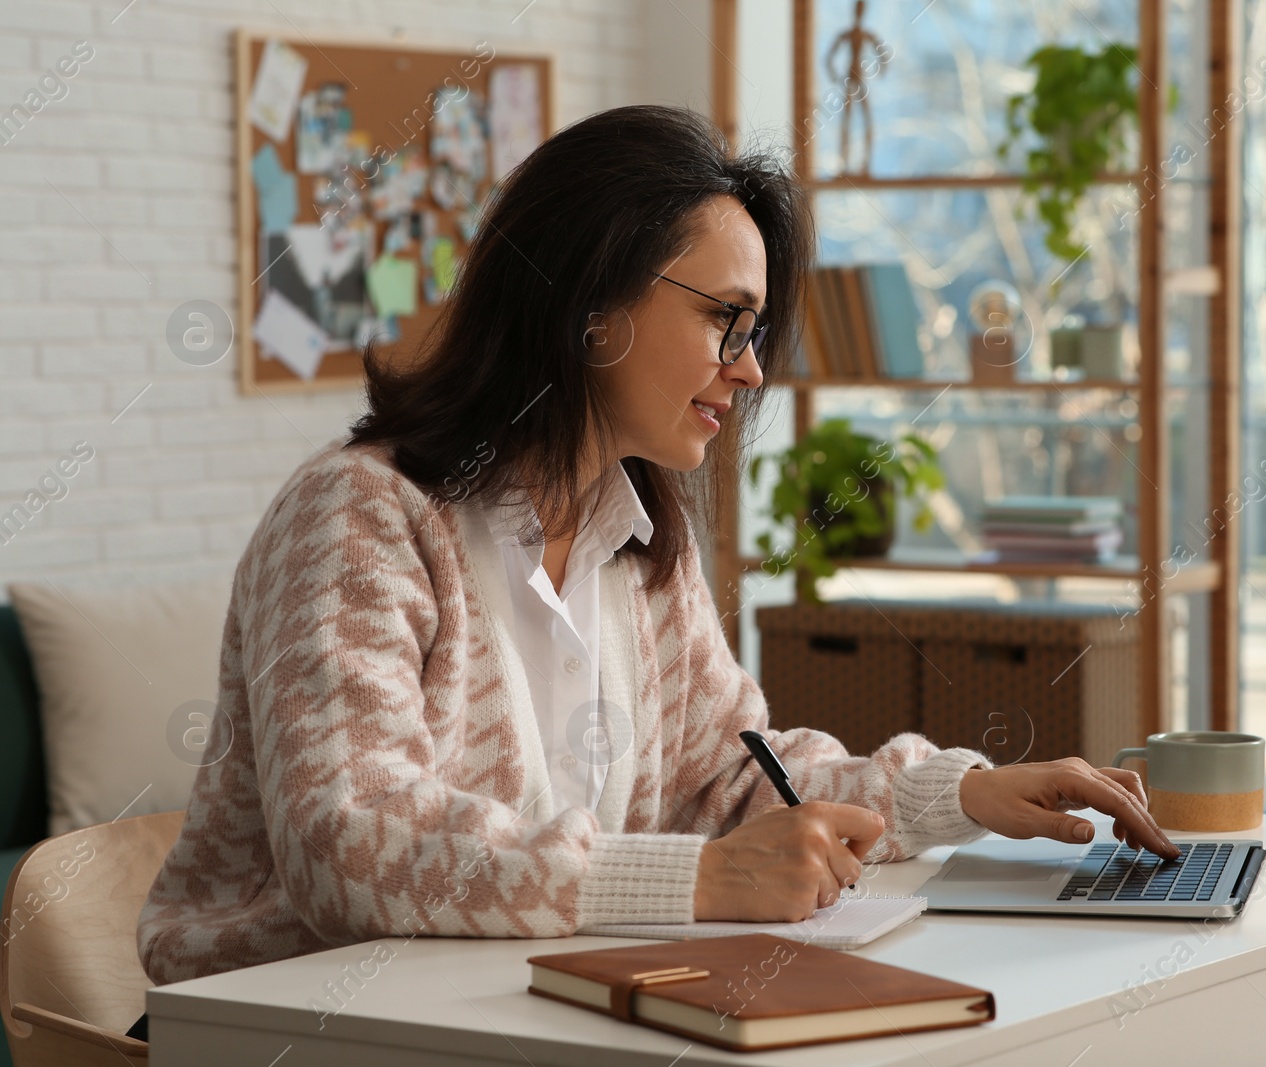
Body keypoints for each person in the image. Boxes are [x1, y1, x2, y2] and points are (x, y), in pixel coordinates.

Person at [133, 105, 1177, 1011]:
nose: (751, 368)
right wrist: (698, 882)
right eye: (725, 318)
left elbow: (734, 780)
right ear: (590, 303)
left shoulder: (641, 537)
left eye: (756, 329)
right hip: (293, 1028)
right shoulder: (358, 514)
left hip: (519, 1011)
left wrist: (968, 794)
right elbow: (349, 845)